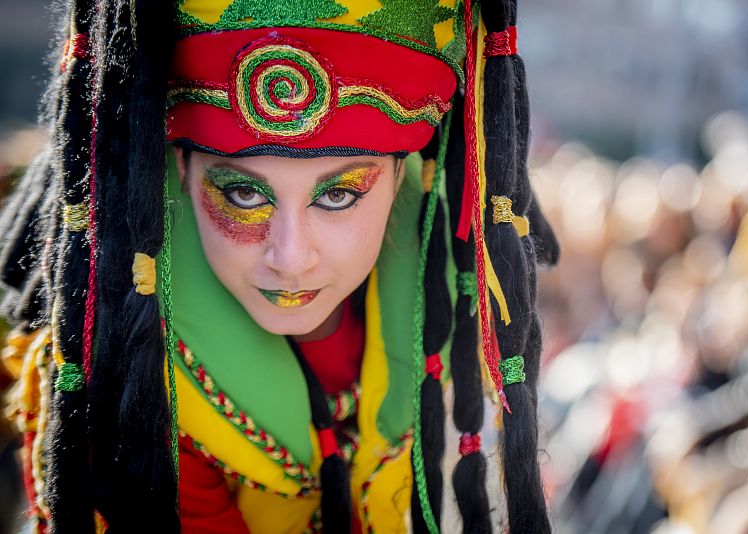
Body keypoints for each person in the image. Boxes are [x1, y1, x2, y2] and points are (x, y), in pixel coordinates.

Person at [0, 0, 559, 532]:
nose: (290, 257)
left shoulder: (449, 295)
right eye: (243, 196)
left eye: (338, 196)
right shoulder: (127, 365)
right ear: (180, 167)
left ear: (400, 178)